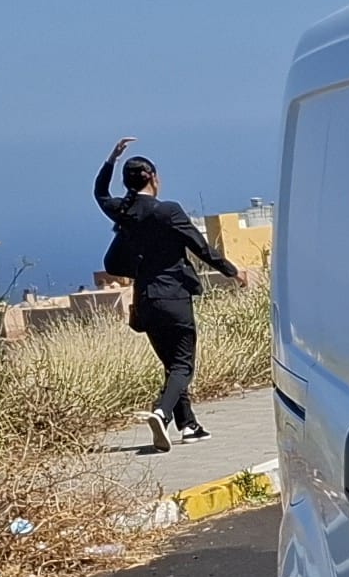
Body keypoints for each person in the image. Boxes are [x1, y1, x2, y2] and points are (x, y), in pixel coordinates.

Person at [93, 138, 242, 450]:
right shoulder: (168, 212)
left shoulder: (123, 212)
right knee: (183, 366)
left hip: (145, 301)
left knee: (171, 364)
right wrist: (233, 271)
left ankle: (188, 425)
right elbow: (200, 248)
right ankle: (161, 412)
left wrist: (111, 159)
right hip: (173, 297)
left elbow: (100, 193)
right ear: (153, 178)